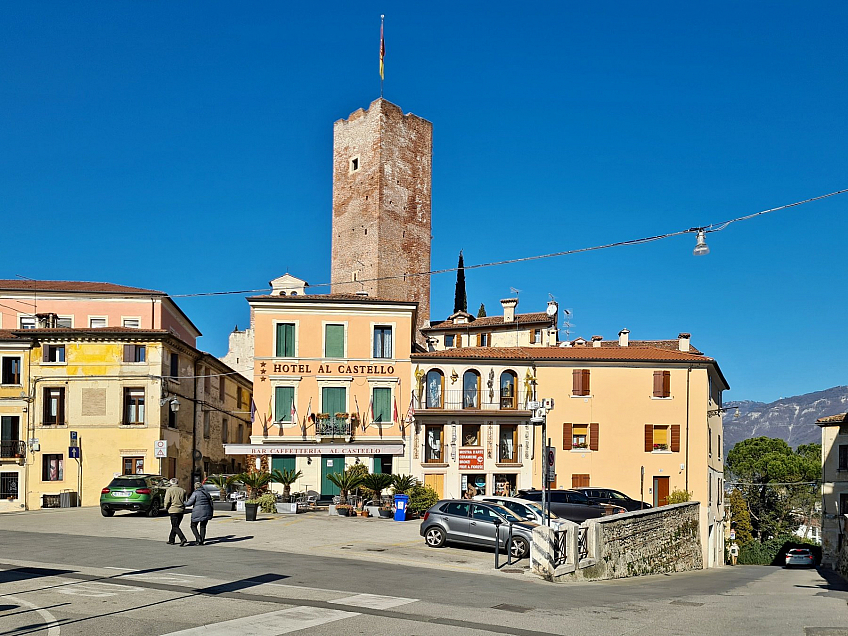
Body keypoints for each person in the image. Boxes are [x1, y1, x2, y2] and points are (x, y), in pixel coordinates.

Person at [184, 481, 214, 545]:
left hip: (197, 512)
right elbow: (211, 503)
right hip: (206, 511)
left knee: (193, 525)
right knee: (203, 526)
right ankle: (202, 540)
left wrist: (184, 503)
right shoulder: (206, 493)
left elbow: (189, 503)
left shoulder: (195, 493)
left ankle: (198, 538)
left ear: (195, 487)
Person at [163, 478, 188, 546]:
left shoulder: (169, 490)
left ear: (171, 483)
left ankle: (182, 538)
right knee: (176, 525)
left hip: (173, 510)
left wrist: (166, 507)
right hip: (181, 510)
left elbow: (167, 500)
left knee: (175, 526)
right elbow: (185, 501)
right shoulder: (183, 490)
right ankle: (171, 539)